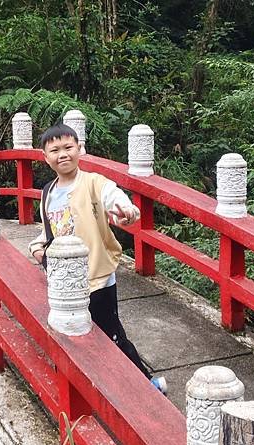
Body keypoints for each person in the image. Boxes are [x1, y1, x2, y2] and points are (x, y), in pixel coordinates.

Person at [29, 124, 167, 394]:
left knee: (110, 333)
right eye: (54, 150)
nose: (63, 154)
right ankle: (86, 386)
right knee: (71, 332)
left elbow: (113, 197)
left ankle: (144, 385)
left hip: (97, 276)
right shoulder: (47, 191)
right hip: (65, 280)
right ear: (45, 157)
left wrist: (127, 210)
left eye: (68, 147)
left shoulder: (93, 182)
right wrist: (38, 249)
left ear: (80, 149)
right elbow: (50, 229)